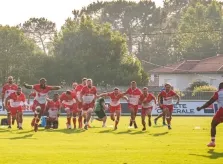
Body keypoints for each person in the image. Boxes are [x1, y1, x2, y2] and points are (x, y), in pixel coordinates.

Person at [197, 82, 223, 147]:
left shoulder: (218, 93)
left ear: (220, 87)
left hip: (222, 111)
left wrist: (201, 107)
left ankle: (212, 142)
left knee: (213, 124)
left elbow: (209, 102)